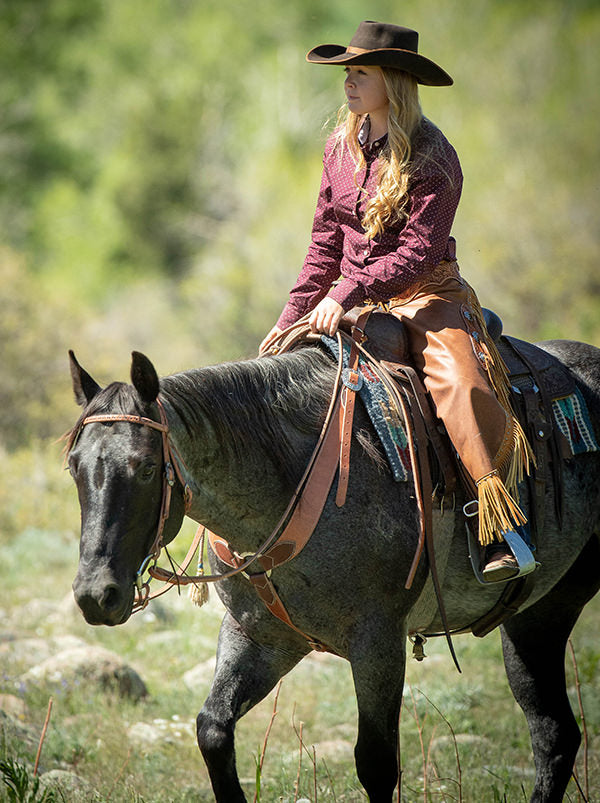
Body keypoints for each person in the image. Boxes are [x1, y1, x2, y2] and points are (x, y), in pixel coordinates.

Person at [260, 20, 534, 583]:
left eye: (362, 71)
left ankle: (501, 525)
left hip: (427, 294)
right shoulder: (340, 150)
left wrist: (345, 292)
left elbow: (416, 253)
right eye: (348, 72)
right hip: (352, 300)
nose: (349, 81)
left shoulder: (435, 156)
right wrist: (288, 321)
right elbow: (323, 247)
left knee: (459, 381)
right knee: (273, 376)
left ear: (396, 81)